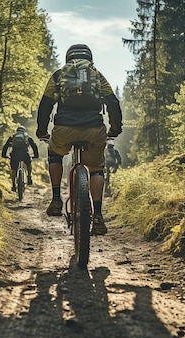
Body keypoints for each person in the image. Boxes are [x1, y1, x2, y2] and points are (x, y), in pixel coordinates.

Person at [36, 43, 123, 235]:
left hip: (64, 129)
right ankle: (98, 215)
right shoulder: (97, 75)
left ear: (68, 58)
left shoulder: (59, 75)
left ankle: (56, 198)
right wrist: (115, 129)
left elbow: (46, 104)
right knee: (96, 168)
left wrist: (42, 131)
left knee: (55, 154)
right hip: (94, 129)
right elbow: (112, 103)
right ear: (90, 58)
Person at [1, 126, 39, 191]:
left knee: (13, 169)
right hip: (24, 154)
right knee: (29, 163)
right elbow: (34, 146)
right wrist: (36, 155)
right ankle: (29, 176)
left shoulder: (12, 137)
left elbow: (6, 146)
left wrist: (4, 155)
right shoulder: (27, 137)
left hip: (15, 154)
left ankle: (13, 185)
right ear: (24, 131)